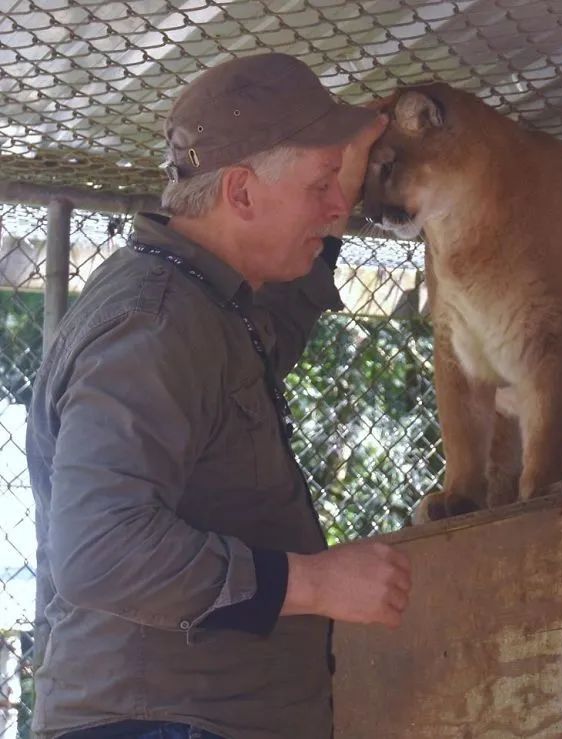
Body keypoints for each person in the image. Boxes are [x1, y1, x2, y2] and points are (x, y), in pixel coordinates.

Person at [26, 53, 412, 739]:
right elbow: (101, 545)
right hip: (158, 722)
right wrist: (314, 583)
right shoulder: (155, 322)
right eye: (322, 184)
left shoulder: (207, 303)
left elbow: (274, 331)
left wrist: (335, 181)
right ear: (240, 194)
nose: (337, 207)